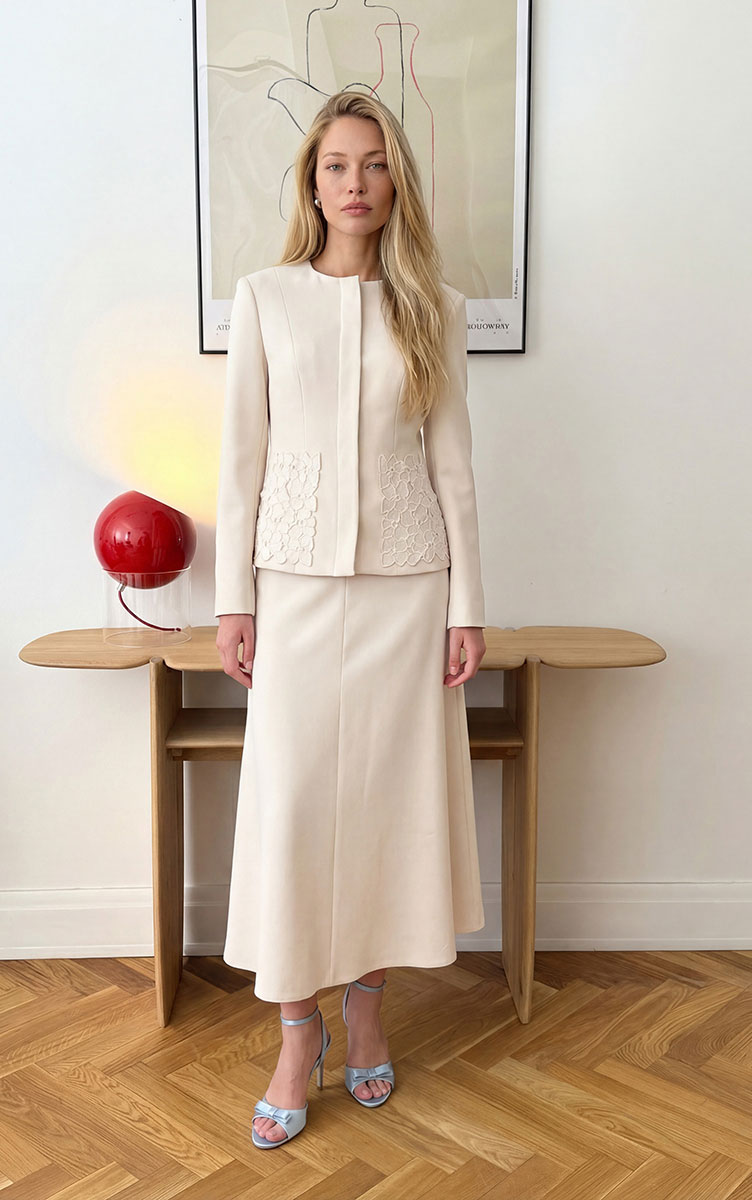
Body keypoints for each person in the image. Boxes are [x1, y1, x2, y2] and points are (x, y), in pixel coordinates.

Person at [214, 90, 487, 1148]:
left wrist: (468, 605)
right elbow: (239, 464)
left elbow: (453, 467)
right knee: (291, 810)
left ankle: (367, 1012)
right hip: (288, 587)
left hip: (406, 591)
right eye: (337, 164)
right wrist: (232, 599)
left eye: (373, 164)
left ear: (394, 182)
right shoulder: (264, 297)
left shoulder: (434, 308)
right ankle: (297, 1032)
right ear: (312, 182)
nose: (355, 183)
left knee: (382, 809)